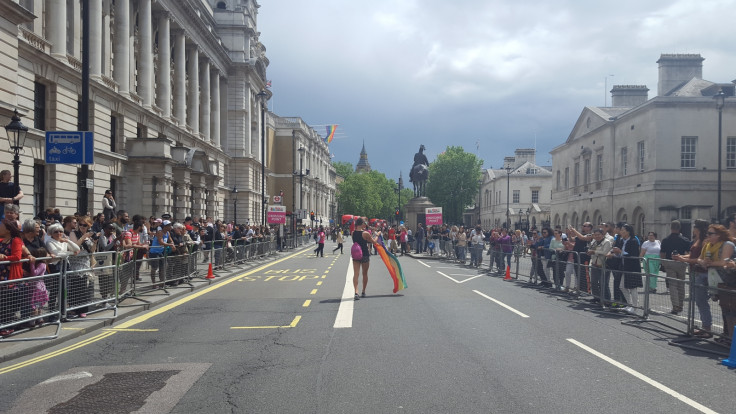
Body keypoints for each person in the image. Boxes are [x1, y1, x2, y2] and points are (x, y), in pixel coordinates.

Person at [660, 220, 691, 314]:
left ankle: (675, 306)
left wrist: (664, 263)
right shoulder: (685, 240)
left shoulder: (665, 240)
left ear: (671, 228)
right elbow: (687, 253)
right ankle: (680, 305)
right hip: (681, 263)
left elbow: (662, 253)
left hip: (670, 263)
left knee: (672, 285)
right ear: (679, 228)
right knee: (681, 285)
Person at [0, 219, 24, 333]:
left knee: (7, 301)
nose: (0, 227)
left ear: (8, 230)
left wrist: (4, 258)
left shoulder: (16, 240)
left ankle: (8, 326)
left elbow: (17, 256)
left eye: (2, 226)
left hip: (9, 275)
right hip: (1, 274)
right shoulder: (1, 240)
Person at [613, 224, 642, 315]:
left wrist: (620, 251)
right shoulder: (622, 241)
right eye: (621, 230)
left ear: (628, 231)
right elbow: (620, 254)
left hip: (632, 267)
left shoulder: (633, 241)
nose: (621, 232)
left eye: (623, 230)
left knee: (633, 287)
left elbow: (633, 255)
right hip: (623, 266)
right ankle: (629, 304)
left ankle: (634, 306)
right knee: (622, 286)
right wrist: (614, 254)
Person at [352, 218, 377, 300]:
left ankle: (356, 292)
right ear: (362, 224)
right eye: (364, 223)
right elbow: (374, 242)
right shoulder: (365, 233)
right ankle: (363, 291)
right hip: (365, 255)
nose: (365, 224)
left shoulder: (353, 233)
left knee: (356, 274)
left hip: (356, 255)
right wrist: (378, 235)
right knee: (365, 274)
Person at [588, 228, 612, 303]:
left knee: (603, 283)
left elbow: (605, 252)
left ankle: (606, 300)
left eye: (599, 234)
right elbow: (590, 249)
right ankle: (596, 298)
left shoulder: (607, 242)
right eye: (595, 235)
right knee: (594, 282)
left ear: (602, 235)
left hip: (604, 265)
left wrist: (594, 252)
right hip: (594, 264)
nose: (597, 236)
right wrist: (589, 251)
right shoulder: (594, 242)